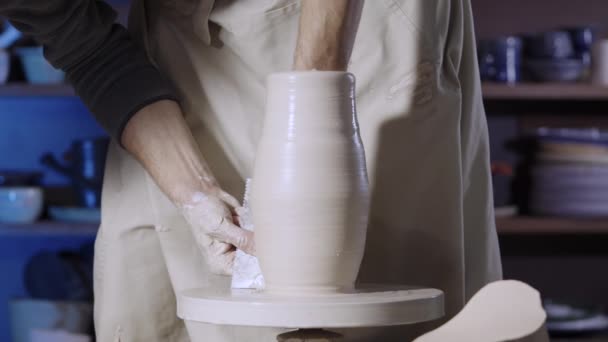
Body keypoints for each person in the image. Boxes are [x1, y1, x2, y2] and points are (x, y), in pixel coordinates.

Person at [1, 0, 502, 340]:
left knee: (374, 304)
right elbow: (89, 49)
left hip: (359, 24)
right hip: (181, 28)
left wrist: (311, 111)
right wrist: (193, 193)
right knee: (155, 304)